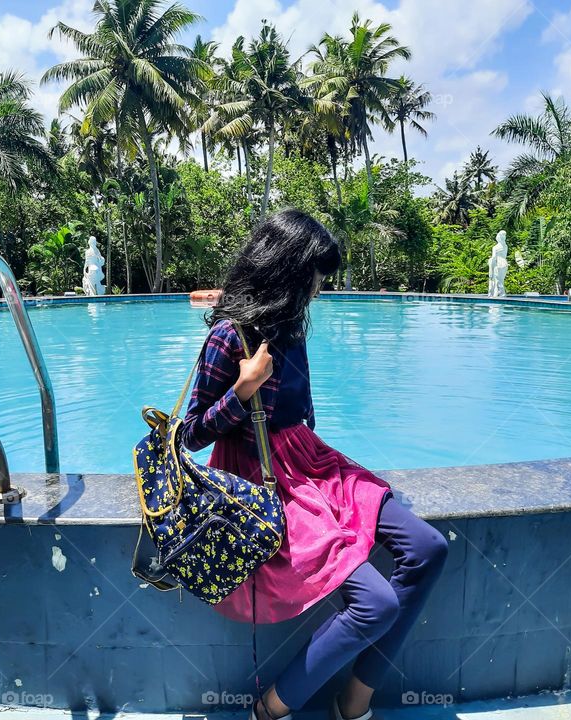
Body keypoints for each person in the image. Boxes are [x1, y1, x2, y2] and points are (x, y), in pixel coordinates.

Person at [180, 209, 449, 720]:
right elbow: (189, 433)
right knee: (376, 604)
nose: (320, 287)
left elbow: (300, 414)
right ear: (286, 269)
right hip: (264, 480)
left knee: (428, 548)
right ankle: (272, 708)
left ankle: (355, 701)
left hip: (311, 462)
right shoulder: (228, 338)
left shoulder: (289, 328)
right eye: (315, 274)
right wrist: (241, 391)